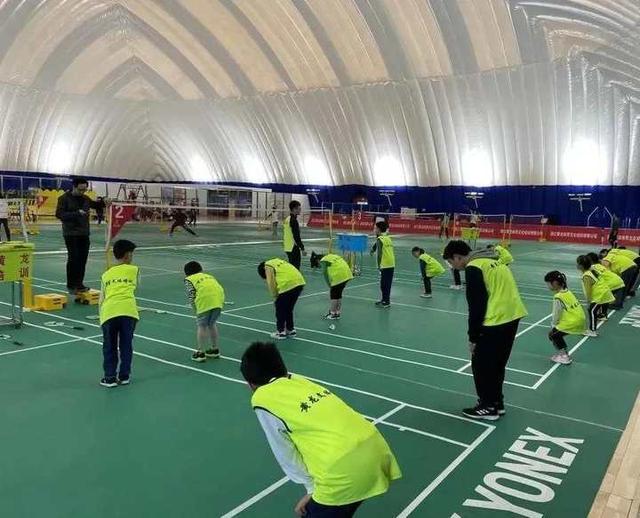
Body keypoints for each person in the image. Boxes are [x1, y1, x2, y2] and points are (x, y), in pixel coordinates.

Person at [240, 341, 401, 518]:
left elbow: (284, 452)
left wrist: (311, 489)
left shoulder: (262, 398)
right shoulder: (298, 380)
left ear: (251, 385)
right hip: (376, 450)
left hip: (343, 471)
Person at [443, 240, 527, 420]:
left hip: (495, 320)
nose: (453, 266)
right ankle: (497, 403)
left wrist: (473, 337)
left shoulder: (474, 267)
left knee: (481, 365)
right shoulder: (493, 261)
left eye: (451, 262)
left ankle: (487, 406)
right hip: (513, 316)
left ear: (457, 257)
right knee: (497, 364)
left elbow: (476, 306)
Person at [99, 239, 139, 388]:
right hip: (128, 312)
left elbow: (101, 298)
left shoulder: (106, 274)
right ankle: (124, 376)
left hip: (109, 313)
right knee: (126, 345)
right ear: (128, 255)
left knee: (109, 346)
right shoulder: (135, 270)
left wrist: (101, 318)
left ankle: (109, 378)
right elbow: (136, 286)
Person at [55, 177, 102, 294]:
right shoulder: (64, 198)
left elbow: (95, 205)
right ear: (74, 187)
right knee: (73, 258)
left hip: (84, 233)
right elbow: (59, 214)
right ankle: (71, 284)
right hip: (71, 233)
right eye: (80, 190)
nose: (82, 192)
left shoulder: (85, 198)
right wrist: (76, 213)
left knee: (82, 259)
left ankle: (79, 284)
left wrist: (104, 202)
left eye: (84, 190)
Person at [184, 261, 225, 363]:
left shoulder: (189, 279)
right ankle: (214, 349)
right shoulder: (209, 276)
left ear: (187, 273)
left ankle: (200, 352)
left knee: (202, 326)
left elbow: (191, 295)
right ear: (201, 269)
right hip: (218, 300)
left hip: (204, 301)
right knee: (212, 324)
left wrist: (195, 309)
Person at [543, 271, 586, 365]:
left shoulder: (558, 297)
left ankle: (564, 357)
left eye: (548, 283)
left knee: (553, 335)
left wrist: (554, 325)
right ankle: (564, 354)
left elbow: (556, 313)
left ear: (554, 283)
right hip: (580, 318)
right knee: (556, 335)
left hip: (573, 321)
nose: (548, 286)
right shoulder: (568, 291)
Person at [258, 258, 306, 339]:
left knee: (280, 309)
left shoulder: (267, 266)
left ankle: (280, 332)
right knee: (288, 309)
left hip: (287, 284)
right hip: (299, 282)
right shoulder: (277, 261)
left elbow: (271, 284)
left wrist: (275, 298)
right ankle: (290, 330)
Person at [576, 255, 615, 336]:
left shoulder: (586, 276)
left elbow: (588, 291)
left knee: (591, 310)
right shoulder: (591, 271)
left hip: (600, 294)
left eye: (578, 263)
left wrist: (589, 301)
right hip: (603, 292)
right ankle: (598, 321)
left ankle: (592, 331)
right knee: (593, 310)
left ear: (581, 266)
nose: (576, 265)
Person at [310, 251, 353, 319]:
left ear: (318, 260)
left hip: (339, 276)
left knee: (334, 296)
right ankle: (337, 313)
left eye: (317, 265)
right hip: (347, 274)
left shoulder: (323, 260)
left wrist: (329, 284)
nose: (319, 267)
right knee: (338, 295)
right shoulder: (330, 256)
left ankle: (332, 314)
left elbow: (325, 273)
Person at [370, 220, 394, 308]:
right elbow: (377, 243)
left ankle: (386, 302)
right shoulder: (387, 238)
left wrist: (379, 266)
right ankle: (384, 300)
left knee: (384, 285)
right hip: (391, 264)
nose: (374, 230)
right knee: (386, 284)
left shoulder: (380, 239)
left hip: (385, 264)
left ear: (379, 229)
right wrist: (373, 249)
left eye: (375, 228)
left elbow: (380, 254)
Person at [284, 200, 306, 270]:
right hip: (293, 247)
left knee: (291, 268)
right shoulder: (293, 221)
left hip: (287, 247)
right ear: (294, 209)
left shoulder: (287, 219)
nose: (300, 210)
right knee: (295, 269)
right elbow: (296, 236)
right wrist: (302, 248)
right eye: (299, 208)